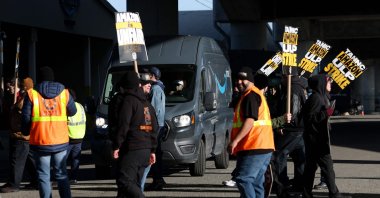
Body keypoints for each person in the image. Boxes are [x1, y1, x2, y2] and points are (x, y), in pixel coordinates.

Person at [21, 66, 77, 198]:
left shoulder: (32, 94)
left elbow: (25, 118)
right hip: (60, 140)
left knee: (43, 175)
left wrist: (25, 131)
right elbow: (73, 111)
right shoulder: (64, 93)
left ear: (39, 79)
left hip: (40, 141)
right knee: (61, 174)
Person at [228, 67, 275, 198]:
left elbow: (250, 120)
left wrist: (235, 141)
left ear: (251, 80)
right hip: (263, 146)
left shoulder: (250, 96)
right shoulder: (253, 95)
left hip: (254, 145)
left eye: (244, 79)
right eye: (238, 79)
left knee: (243, 179)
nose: (239, 82)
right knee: (255, 183)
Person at [110, 71, 158, 198]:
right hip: (145, 149)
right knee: (131, 187)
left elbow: (123, 124)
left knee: (124, 181)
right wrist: (152, 149)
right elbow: (154, 128)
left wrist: (117, 145)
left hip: (133, 148)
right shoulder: (146, 104)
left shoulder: (129, 101)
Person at [302, 74, 351, 198]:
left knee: (311, 168)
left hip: (316, 138)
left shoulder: (321, 96)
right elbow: (309, 119)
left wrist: (326, 115)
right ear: (321, 84)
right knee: (327, 168)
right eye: (329, 81)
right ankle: (334, 194)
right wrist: (326, 113)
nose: (331, 84)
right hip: (317, 140)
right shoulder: (316, 98)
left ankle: (306, 194)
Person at [0, 77, 38, 193]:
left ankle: (14, 184)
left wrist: (14, 105)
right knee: (29, 160)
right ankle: (37, 181)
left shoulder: (28, 96)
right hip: (25, 135)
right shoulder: (28, 96)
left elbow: (22, 108)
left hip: (21, 134)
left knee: (16, 161)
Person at [273, 75, 307, 197]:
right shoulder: (298, 87)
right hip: (299, 129)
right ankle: (300, 186)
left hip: (292, 129)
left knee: (279, 155)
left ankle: (281, 185)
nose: (281, 78)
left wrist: (284, 125)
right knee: (299, 158)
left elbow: (294, 110)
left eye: (283, 76)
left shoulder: (293, 89)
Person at [143, 67, 167, 191]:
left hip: (156, 125)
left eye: (148, 75)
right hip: (159, 125)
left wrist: (148, 126)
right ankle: (159, 179)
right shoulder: (159, 88)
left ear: (152, 76)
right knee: (156, 153)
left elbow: (151, 110)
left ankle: (157, 180)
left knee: (154, 153)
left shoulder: (156, 89)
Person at [66, 89, 86, 184]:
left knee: (62, 159)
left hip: (69, 136)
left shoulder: (67, 107)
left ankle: (62, 178)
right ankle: (73, 178)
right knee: (75, 159)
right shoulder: (80, 106)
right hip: (79, 136)